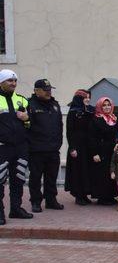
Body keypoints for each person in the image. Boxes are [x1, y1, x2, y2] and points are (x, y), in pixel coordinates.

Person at [0, 69, 32, 224]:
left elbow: (30, 124)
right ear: (1, 82)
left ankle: (16, 209)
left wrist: (26, 118)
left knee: (18, 179)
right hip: (2, 148)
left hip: (20, 147)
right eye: (9, 81)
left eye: (15, 81)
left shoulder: (22, 100)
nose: (13, 84)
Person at [27, 79, 64, 212]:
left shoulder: (55, 105)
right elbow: (26, 127)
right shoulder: (30, 105)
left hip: (53, 149)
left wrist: (58, 143)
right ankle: (36, 201)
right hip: (36, 150)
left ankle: (51, 200)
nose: (49, 92)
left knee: (51, 177)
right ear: (37, 91)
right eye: (45, 90)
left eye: (49, 89)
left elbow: (59, 126)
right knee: (36, 177)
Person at [64, 89, 95, 206]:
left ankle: (85, 194)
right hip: (77, 146)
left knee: (86, 170)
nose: (87, 99)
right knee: (78, 170)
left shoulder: (91, 110)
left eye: (88, 97)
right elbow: (69, 131)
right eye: (85, 97)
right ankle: (79, 195)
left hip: (88, 145)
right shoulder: (73, 112)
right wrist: (72, 148)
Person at [88, 97, 118, 205]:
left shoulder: (114, 118)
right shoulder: (96, 119)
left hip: (113, 150)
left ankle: (110, 196)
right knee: (102, 174)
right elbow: (91, 138)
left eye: (108, 105)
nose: (107, 107)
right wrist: (94, 153)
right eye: (104, 105)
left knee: (112, 172)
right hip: (101, 151)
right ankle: (103, 197)